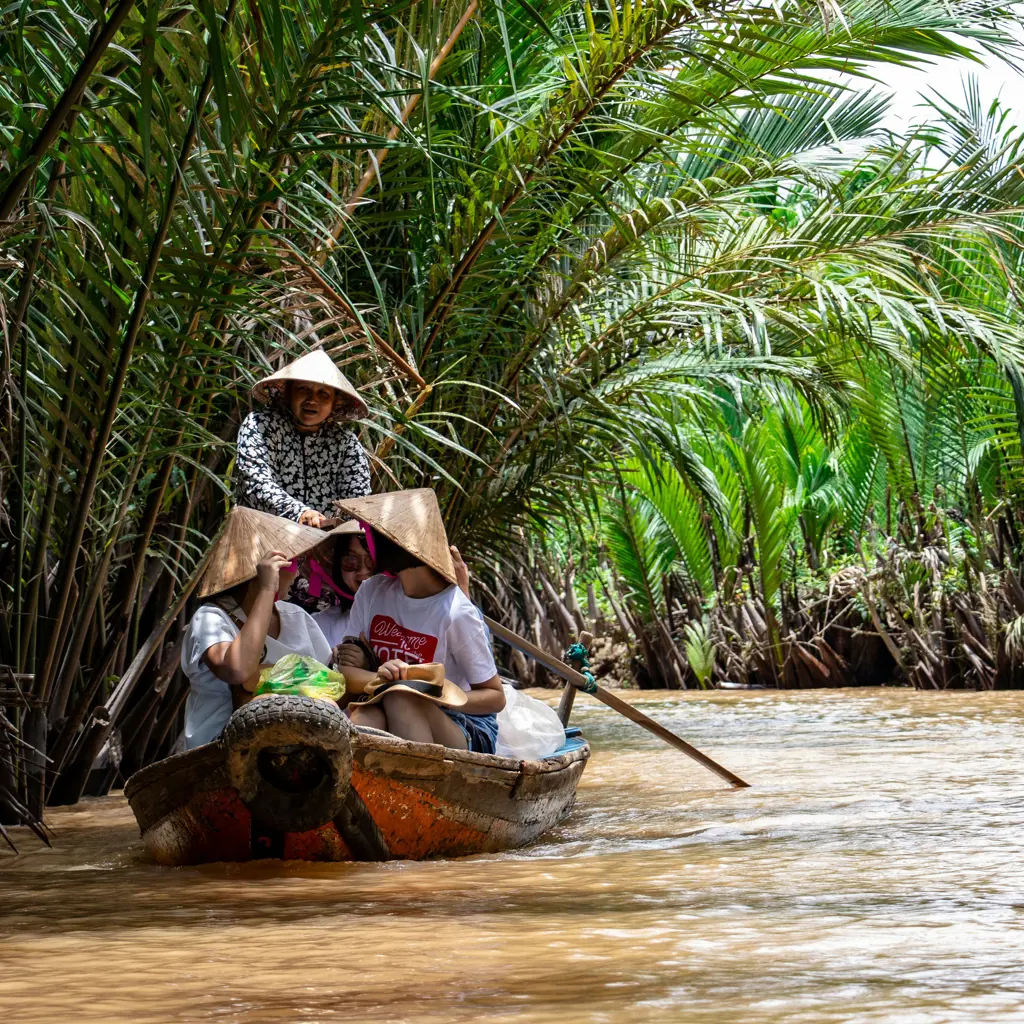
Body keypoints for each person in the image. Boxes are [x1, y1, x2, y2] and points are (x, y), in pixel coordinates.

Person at [331, 489, 505, 753]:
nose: (368, 544)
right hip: (385, 700)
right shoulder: (372, 592)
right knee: (367, 714)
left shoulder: (456, 612)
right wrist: (384, 678)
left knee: (401, 698)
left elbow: (495, 697)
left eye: (372, 536)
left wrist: (430, 692)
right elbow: (347, 672)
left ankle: (422, 776)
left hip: (464, 723)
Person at [181, 507, 333, 749]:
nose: (297, 572)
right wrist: (266, 589)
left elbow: (327, 681)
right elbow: (238, 671)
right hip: (221, 750)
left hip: (300, 745)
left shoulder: (296, 616)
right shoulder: (211, 617)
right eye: (293, 562)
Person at [236, 349, 371, 527]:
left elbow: (358, 503)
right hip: (262, 535)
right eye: (304, 389)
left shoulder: (345, 443)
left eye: (323, 393)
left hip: (324, 541)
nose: (312, 400)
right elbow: (255, 483)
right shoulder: (261, 425)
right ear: (288, 393)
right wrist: (300, 513)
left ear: (335, 402)